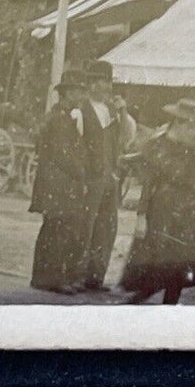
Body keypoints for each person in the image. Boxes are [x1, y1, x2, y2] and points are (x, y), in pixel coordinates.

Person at [120, 97, 195, 304]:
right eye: (191, 127)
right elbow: (149, 183)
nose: (194, 133)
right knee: (157, 266)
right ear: (178, 123)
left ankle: (169, 307)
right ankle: (135, 302)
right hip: (161, 210)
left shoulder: (190, 150)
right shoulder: (157, 146)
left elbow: (190, 183)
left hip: (184, 212)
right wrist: (142, 216)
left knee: (179, 269)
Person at [29, 67, 90, 294]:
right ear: (65, 95)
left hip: (57, 182)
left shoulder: (62, 118)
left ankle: (43, 277)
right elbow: (63, 155)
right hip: (57, 183)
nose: (81, 96)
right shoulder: (58, 120)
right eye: (77, 92)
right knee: (57, 229)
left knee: (53, 228)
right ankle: (52, 278)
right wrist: (81, 172)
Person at [76, 59, 128, 291]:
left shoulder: (111, 111)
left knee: (107, 226)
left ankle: (96, 277)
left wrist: (122, 112)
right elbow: (76, 146)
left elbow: (124, 139)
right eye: (100, 81)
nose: (106, 86)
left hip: (110, 176)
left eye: (107, 81)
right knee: (85, 225)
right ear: (91, 84)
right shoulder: (81, 109)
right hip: (91, 177)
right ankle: (77, 275)